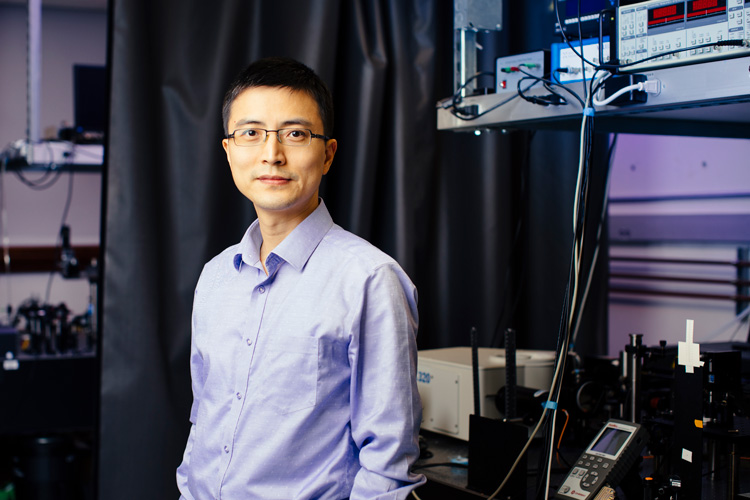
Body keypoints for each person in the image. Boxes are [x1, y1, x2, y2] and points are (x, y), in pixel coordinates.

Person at [176, 57, 425, 499]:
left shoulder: (369, 280)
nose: (272, 154)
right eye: (250, 133)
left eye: (295, 134)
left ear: (327, 153)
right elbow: (205, 422)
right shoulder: (215, 278)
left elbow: (387, 465)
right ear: (228, 150)